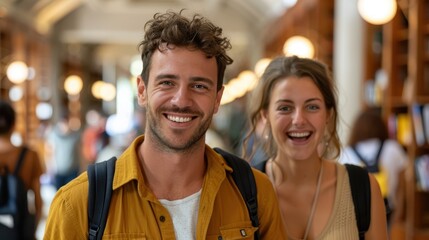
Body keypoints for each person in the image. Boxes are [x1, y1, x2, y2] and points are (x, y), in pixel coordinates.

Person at [44, 10, 287, 239]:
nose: (181, 100)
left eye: (199, 86)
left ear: (217, 99)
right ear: (142, 90)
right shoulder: (76, 205)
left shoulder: (255, 193)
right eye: (167, 82)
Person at [243, 56, 388, 239]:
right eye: (285, 108)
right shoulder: (245, 193)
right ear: (265, 116)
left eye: (312, 107)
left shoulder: (362, 187)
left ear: (328, 114)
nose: (299, 120)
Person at [339, 108, 407, 226]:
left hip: (355, 213)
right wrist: (398, 214)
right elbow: (402, 188)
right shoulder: (393, 148)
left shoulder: (346, 153)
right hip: (387, 210)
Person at [0, 99, 45, 239]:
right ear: (14, 125)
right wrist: (31, 230)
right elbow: (38, 201)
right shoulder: (30, 155)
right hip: (19, 230)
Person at [45, 112, 82, 190]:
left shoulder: (75, 136)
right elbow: (49, 153)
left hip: (72, 171)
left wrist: (81, 166)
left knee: (71, 193)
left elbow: (79, 152)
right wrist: (49, 169)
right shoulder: (53, 136)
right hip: (58, 171)